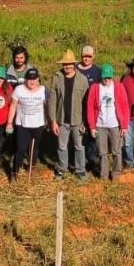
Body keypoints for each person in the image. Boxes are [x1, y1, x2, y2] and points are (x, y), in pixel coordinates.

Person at [47, 51, 89, 180]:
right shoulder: (57, 77)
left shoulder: (82, 79)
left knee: (79, 146)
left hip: (77, 120)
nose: (67, 66)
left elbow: (86, 102)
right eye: (65, 64)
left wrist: (85, 121)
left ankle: (80, 170)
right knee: (62, 146)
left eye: (70, 64)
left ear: (74, 64)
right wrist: (53, 121)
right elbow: (52, 100)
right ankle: (61, 169)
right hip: (62, 120)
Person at [87, 63, 129, 181]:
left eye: (109, 77)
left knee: (116, 150)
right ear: (101, 76)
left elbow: (125, 106)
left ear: (112, 77)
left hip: (115, 124)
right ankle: (104, 174)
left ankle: (116, 173)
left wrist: (124, 125)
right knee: (102, 152)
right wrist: (92, 126)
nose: (107, 80)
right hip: (100, 125)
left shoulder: (119, 87)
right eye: (105, 77)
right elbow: (90, 107)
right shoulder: (95, 88)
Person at [9, 67, 48, 180]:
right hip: (23, 125)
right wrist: (9, 122)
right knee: (21, 149)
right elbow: (13, 106)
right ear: (25, 79)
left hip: (38, 125)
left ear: (38, 79)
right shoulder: (19, 90)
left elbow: (47, 106)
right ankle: (15, 171)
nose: (32, 81)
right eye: (29, 79)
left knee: (34, 148)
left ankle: (32, 167)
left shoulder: (44, 90)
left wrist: (49, 121)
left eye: (34, 79)